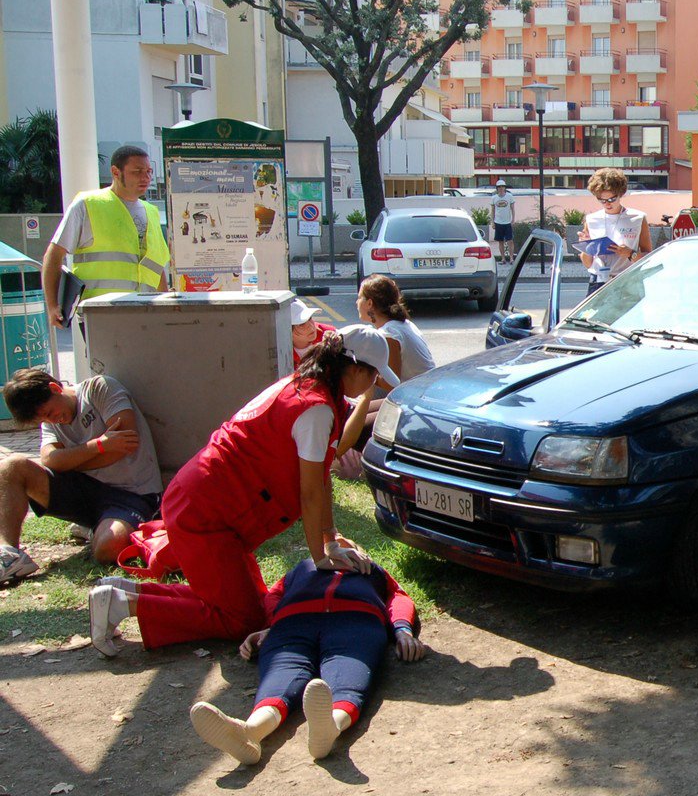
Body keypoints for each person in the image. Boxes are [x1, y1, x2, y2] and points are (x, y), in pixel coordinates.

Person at [86, 326, 398, 656]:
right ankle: (125, 603)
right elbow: (311, 491)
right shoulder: (316, 409)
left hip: (206, 503)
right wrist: (322, 557)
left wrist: (330, 537)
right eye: (374, 375)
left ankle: (123, 592)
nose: (374, 384)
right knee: (241, 620)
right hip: (207, 514)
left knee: (256, 604)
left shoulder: (307, 388)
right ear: (355, 369)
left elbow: (322, 472)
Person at [186, 558, 426, 765]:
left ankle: (330, 726)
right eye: (331, 538)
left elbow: (398, 597)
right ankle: (250, 732)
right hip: (293, 622)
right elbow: (274, 595)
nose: (339, 541)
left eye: (346, 541)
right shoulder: (301, 568)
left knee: (348, 677)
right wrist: (271, 625)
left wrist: (402, 631)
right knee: (281, 676)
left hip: (356, 619)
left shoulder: (372, 568)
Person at [0, 370, 162, 580]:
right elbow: (51, 460)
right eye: (42, 419)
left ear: (55, 388)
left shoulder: (99, 389)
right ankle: (9, 554)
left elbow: (125, 444)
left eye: (49, 413)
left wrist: (70, 461)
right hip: (85, 490)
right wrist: (98, 446)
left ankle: (97, 528)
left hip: (132, 494)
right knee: (11, 466)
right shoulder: (50, 422)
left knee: (107, 549)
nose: (52, 421)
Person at [42, 147, 171, 372]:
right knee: (111, 377)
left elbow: (155, 264)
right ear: (115, 172)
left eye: (149, 172)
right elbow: (54, 254)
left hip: (145, 312)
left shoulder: (151, 211)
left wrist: (165, 303)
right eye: (137, 171)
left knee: (147, 376)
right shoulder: (88, 204)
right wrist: (53, 305)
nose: (146, 178)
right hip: (102, 312)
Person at [577, 168, 652, 295]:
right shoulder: (591, 219)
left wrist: (630, 253)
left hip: (628, 280)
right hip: (598, 281)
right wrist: (586, 247)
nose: (607, 204)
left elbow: (648, 256)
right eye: (602, 200)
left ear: (620, 194)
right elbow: (588, 264)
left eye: (612, 199)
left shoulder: (638, 218)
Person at [356, 276, 436, 395]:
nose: (357, 302)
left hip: (417, 395)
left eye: (359, 298)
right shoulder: (403, 324)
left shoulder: (389, 334)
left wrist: (362, 375)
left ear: (369, 303)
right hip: (423, 390)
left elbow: (391, 384)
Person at [290, 299, 337, 366]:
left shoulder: (329, 334)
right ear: (287, 330)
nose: (311, 326)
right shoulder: (280, 351)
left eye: (310, 318)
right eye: (301, 324)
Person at [490, 179, 516, 264]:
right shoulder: (494, 198)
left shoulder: (509, 196)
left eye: (502, 186)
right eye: (499, 187)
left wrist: (513, 219)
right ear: (497, 188)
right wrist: (493, 222)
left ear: (505, 188)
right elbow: (493, 210)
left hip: (507, 222)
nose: (501, 188)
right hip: (498, 222)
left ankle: (511, 258)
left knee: (510, 241)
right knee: (500, 241)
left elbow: (512, 208)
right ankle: (503, 258)